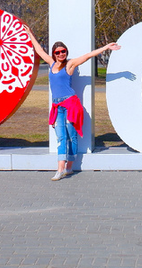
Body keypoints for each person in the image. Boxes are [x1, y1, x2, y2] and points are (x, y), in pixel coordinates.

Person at [26, 26, 120, 181]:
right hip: (57, 107)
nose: (61, 54)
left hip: (70, 104)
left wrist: (106, 47)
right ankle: (60, 169)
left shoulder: (69, 65)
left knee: (71, 135)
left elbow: (88, 55)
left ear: (66, 52)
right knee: (61, 137)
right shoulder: (51, 64)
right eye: (57, 52)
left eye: (63, 51)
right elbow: (39, 51)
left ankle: (68, 167)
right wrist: (30, 33)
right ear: (54, 54)